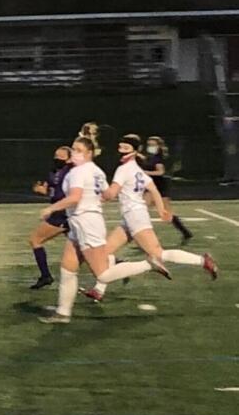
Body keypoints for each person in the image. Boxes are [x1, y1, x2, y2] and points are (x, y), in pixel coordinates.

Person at [81, 135, 217, 301]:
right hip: (130, 217)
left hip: (135, 216)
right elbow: (153, 190)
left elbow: (111, 194)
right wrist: (161, 210)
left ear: (134, 151)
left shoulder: (124, 170)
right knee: (105, 252)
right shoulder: (137, 169)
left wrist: (93, 191)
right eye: (120, 147)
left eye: (125, 148)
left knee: (157, 254)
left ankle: (203, 261)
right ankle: (99, 290)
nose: (121, 151)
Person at [37, 135, 111, 324]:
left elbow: (75, 197)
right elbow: (108, 194)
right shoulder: (96, 170)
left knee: (102, 273)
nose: (74, 153)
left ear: (89, 153)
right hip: (82, 221)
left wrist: (51, 208)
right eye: (74, 149)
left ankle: (147, 265)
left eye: (78, 150)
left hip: (85, 221)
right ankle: (63, 312)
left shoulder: (79, 172)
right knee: (68, 268)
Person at [28, 146, 73, 289]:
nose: (58, 160)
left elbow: (66, 195)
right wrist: (43, 190)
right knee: (84, 245)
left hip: (63, 215)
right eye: (56, 157)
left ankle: (46, 275)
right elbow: (53, 190)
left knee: (35, 239)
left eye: (61, 158)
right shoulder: (54, 172)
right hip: (59, 213)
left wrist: (52, 208)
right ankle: (114, 261)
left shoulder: (70, 172)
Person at [142, 136, 192, 243]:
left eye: (153, 145)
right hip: (151, 187)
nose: (150, 147)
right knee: (142, 209)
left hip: (159, 187)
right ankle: (144, 237)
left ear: (159, 146)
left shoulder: (158, 158)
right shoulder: (150, 157)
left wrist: (146, 173)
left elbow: (160, 172)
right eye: (149, 144)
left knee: (166, 213)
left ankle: (185, 232)